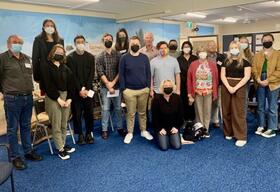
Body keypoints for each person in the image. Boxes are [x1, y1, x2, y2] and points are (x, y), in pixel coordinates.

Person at [0, 35, 43, 170]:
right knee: (13, 129)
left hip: (27, 97)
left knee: (26, 126)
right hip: (12, 99)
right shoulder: (2, 58)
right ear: (8, 44)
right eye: (14, 42)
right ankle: (15, 157)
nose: (17, 44)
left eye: (19, 42)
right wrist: (6, 92)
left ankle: (28, 151)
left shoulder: (26, 58)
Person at [42, 44, 75, 160]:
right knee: (56, 124)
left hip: (66, 97)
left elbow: (71, 84)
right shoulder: (46, 66)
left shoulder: (65, 68)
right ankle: (60, 149)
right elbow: (47, 85)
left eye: (62, 53)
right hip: (53, 98)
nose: (59, 54)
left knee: (64, 123)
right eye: (57, 52)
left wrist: (69, 99)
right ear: (52, 53)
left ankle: (62, 144)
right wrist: (58, 99)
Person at [119, 36, 153, 144]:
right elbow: (121, 74)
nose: (135, 45)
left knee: (143, 112)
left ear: (140, 44)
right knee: (131, 113)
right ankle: (130, 132)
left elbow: (148, 73)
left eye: (137, 43)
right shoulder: (124, 58)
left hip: (143, 90)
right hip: (129, 91)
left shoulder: (144, 57)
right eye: (133, 43)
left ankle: (143, 130)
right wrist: (124, 89)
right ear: (129, 44)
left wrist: (148, 87)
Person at [96, 33, 127, 139]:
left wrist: (113, 83)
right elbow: (100, 72)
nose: (108, 40)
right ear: (103, 41)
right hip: (105, 88)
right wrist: (108, 85)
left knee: (118, 108)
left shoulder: (118, 55)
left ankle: (120, 127)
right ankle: (104, 129)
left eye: (110, 39)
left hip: (116, 86)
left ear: (113, 41)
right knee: (106, 109)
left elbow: (120, 70)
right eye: (106, 39)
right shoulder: (99, 56)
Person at [221, 41, 251, 147]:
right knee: (226, 110)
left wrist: (235, 87)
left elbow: (247, 77)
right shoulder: (226, 61)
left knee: (238, 111)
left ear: (240, 49)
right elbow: (222, 76)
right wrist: (229, 87)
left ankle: (241, 136)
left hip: (240, 86)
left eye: (236, 47)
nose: (234, 49)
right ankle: (228, 132)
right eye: (232, 47)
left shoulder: (245, 62)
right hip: (226, 86)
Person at [66, 35, 94, 145]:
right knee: (77, 114)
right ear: (75, 44)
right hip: (76, 92)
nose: (80, 44)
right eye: (78, 42)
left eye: (82, 42)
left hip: (88, 91)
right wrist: (80, 90)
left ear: (85, 43)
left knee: (89, 113)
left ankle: (88, 134)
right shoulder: (70, 58)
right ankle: (80, 135)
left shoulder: (91, 57)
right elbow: (72, 76)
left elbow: (91, 75)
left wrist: (86, 89)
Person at [252, 33, 280, 138]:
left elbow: (279, 71)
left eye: (269, 40)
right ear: (262, 42)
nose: (267, 41)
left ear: (272, 41)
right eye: (264, 40)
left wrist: (268, 80)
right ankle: (261, 125)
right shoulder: (257, 55)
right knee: (260, 106)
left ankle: (272, 128)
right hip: (259, 81)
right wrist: (258, 79)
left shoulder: (278, 54)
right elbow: (254, 69)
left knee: (272, 106)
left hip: (273, 82)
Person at [187, 46, 218, 137]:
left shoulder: (212, 64)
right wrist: (190, 93)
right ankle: (200, 128)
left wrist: (214, 92)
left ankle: (206, 128)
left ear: (207, 53)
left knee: (207, 111)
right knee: (199, 111)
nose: (202, 53)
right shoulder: (193, 64)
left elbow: (215, 79)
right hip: (197, 92)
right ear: (197, 54)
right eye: (200, 51)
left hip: (209, 91)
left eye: (204, 51)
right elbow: (189, 79)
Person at [32, 18, 64, 94]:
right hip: (44, 72)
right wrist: (36, 76)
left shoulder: (60, 40)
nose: (50, 27)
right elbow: (35, 58)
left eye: (52, 25)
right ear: (43, 27)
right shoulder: (38, 39)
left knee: (59, 92)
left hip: (58, 71)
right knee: (47, 95)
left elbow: (63, 56)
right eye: (47, 25)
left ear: (54, 27)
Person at [152, 80, 183, 151]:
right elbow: (154, 117)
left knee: (177, 146)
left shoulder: (177, 98)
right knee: (164, 147)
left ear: (173, 87)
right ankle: (158, 135)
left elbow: (180, 115)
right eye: (165, 86)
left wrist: (177, 127)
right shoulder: (156, 99)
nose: (168, 88)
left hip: (173, 127)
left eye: (170, 86)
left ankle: (172, 136)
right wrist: (159, 129)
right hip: (161, 127)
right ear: (162, 88)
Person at [177, 41, 198, 123]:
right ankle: (185, 119)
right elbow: (177, 72)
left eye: (188, 46)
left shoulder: (195, 58)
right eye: (184, 47)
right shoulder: (179, 59)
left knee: (193, 102)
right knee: (184, 102)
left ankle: (193, 119)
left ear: (191, 48)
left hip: (194, 84)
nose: (186, 48)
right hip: (182, 84)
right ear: (182, 48)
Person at [207, 40, 226, 128]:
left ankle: (216, 120)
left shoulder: (222, 57)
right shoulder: (204, 57)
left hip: (218, 84)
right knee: (207, 103)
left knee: (217, 103)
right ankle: (206, 121)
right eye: (210, 45)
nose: (212, 47)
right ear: (207, 47)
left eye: (214, 45)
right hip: (206, 84)